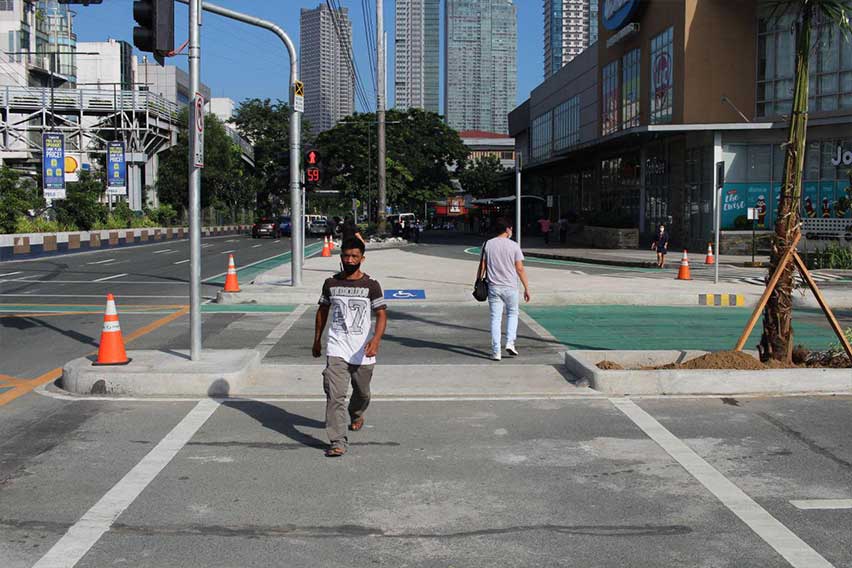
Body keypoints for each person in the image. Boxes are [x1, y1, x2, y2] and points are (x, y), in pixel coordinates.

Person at [313, 238, 388, 457]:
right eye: (346, 256)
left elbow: (382, 315)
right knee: (335, 396)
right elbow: (322, 311)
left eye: (354, 256)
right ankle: (337, 441)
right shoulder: (330, 283)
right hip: (337, 347)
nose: (349, 260)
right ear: (341, 257)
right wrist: (317, 339)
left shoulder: (371, 285)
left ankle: (356, 413)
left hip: (362, 349)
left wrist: (376, 340)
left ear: (362, 259)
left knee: (362, 393)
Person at [477, 217, 531, 361]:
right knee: (513, 313)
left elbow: (483, 266)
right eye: (511, 228)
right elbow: (519, 269)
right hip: (510, 287)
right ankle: (510, 343)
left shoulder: (487, 244)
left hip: (493, 287)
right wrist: (526, 287)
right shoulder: (514, 246)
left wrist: (478, 282)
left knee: (495, 318)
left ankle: (496, 352)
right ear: (507, 229)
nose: (512, 231)